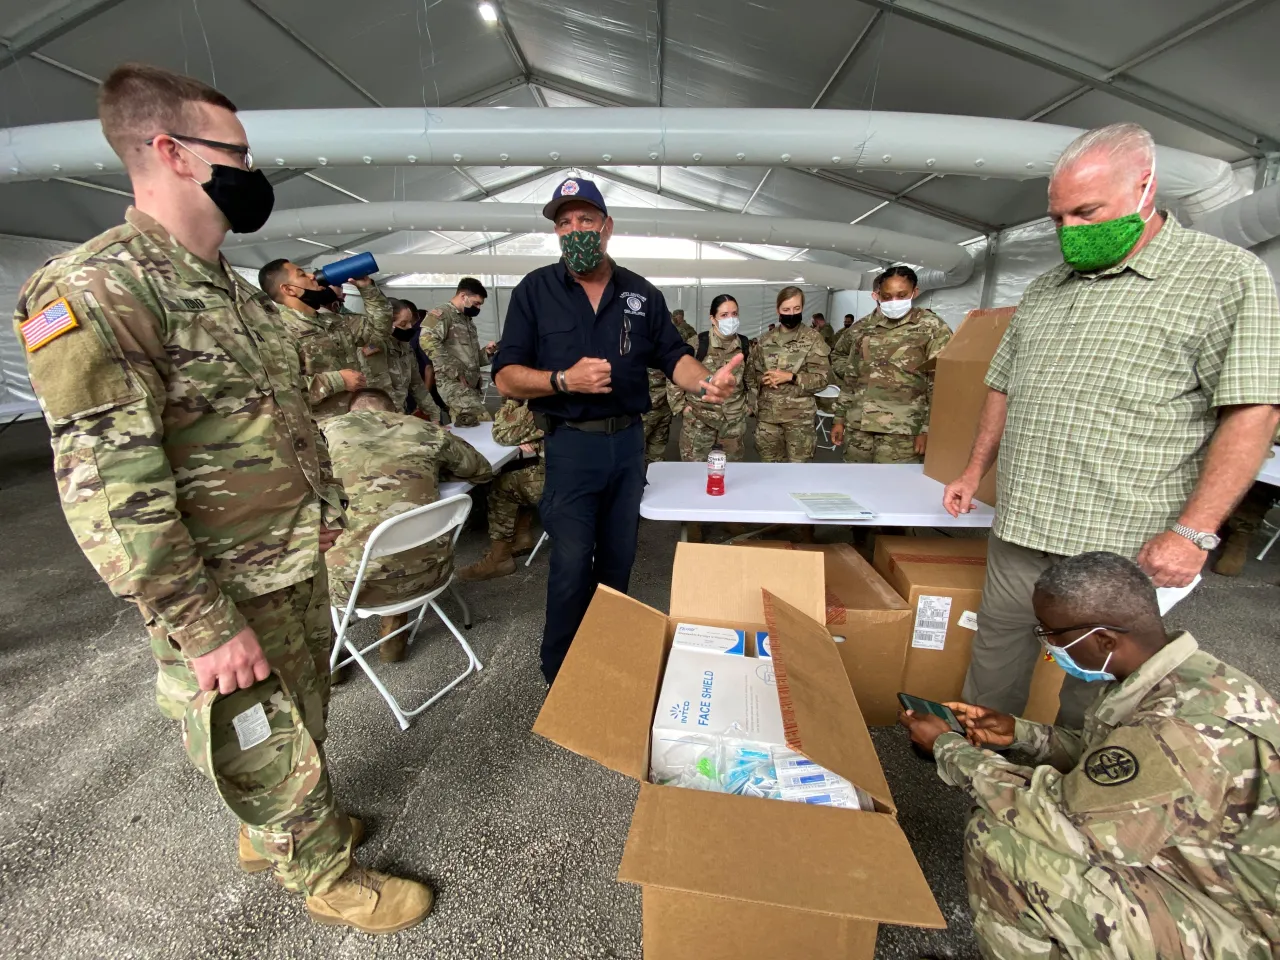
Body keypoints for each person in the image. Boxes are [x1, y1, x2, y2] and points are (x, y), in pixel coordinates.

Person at [13, 62, 431, 934]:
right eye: (234, 152)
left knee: (302, 714)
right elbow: (109, 488)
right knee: (255, 730)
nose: (251, 168)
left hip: (285, 557)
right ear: (169, 152)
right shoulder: (100, 290)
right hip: (219, 584)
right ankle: (321, 874)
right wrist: (201, 624)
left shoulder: (228, 289)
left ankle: (278, 829)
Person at [942, 122, 1280, 728]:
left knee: (1098, 694)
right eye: (1058, 218)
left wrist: (1196, 533)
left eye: (1087, 212)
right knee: (995, 659)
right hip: (1024, 522)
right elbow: (1003, 385)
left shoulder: (1224, 278)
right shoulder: (1045, 289)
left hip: (1124, 540)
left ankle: (1077, 808)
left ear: (1145, 189)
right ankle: (981, 776)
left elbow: (1253, 408)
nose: (1070, 230)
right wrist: (973, 471)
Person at [900, 551, 1280, 960]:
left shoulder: (1180, 730)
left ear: (1102, 640)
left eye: (1051, 635)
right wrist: (1022, 733)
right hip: (1196, 865)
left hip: (1240, 928)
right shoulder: (1187, 675)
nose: (1047, 645)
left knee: (1003, 841)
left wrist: (947, 746)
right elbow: (1111, 761)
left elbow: (1059, 819)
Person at [492, 176, 741, 683]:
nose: (575, 230)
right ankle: (560, 673)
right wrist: (563, 379)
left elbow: (673, 355)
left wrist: (703, 383)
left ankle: (606, 655)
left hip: (628, 445)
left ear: (607, 227)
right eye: (564, 223)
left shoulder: (641, 294)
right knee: (569, 564)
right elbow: (506, 374)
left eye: (585, 220)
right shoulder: (535, 291)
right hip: (571, 446)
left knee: (618, 558)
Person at [322, 390, 493, 659]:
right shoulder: (423, 429)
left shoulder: (325, 432)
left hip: (353, 586)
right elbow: (481, 469)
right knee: (399, 538)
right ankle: (394, 637)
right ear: (396, 411)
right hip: (432, 572)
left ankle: (329, 664)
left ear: (350, 413)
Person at [830, 266, 951, 464]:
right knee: (854, 486)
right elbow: (851, 377)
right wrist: (839, 418)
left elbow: (940, 384)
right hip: (859, 426)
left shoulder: (932, 328)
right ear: (878, 295)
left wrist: (927, 430)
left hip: (903, 431)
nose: (894, 301)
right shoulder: (864, 327)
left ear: (915, 292)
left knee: (895, 489)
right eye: (887, 297)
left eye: (901, 295)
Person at [257, 259, 393, 422]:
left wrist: (367, 289)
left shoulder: (333, 321)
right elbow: (280, 389)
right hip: (322, 429)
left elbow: (378, 331)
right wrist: (338, 380)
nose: (312, 276)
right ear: (288, 289)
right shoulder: (278, 331)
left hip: (354, 420)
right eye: (302, 274)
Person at [457, 398, 545, 581]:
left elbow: (501, 432)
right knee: (520, 470)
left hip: (563, 482)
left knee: (502, 486)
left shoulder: (544, 399)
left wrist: (513, 400)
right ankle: (522, 537)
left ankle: (499, 559)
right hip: (592, 475)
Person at [746, 286, 831, 463]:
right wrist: (759, 390)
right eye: (786, 309)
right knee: (769, 471)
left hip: (799, 420)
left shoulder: (813, 339)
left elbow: (823, 379)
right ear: (778, 310)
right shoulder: (765, 340)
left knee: (798, 474)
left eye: (796, 309)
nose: (791, 313)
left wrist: (792, 377)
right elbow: (751, 375)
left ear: (802, 308)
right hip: (768, 419)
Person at [669, 294, 751, 463]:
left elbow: (753, 379)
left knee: (730, 475)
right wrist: (681, 407)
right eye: (724, 315)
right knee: (694, 474)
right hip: (699, 423)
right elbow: (674, 375)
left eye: (734, 314)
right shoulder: (697, 344)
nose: (731, 319)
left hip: (732, 424)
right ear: (713, 319)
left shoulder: (745, 345)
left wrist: (749, 407)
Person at [420, 277, 493, 426]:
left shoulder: (467, 320)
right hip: (452, 383)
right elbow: (426, 340)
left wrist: (487, 352)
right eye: (476, 303)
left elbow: (471, 358)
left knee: (467, 427)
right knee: (482, 421)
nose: (478, 308)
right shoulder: (441, 314)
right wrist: (455, 371)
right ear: (463, 296)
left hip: (470, 385)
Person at [359, 298, 441, 422]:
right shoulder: (374, 349)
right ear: (387, 324)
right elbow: (382, 392)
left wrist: (434, 416)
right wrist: (402, 422)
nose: (409, 327)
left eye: (410, 322)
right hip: (378, 420)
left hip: (399, 415)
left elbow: (417, 385)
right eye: (403, 324)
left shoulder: (404, 346)